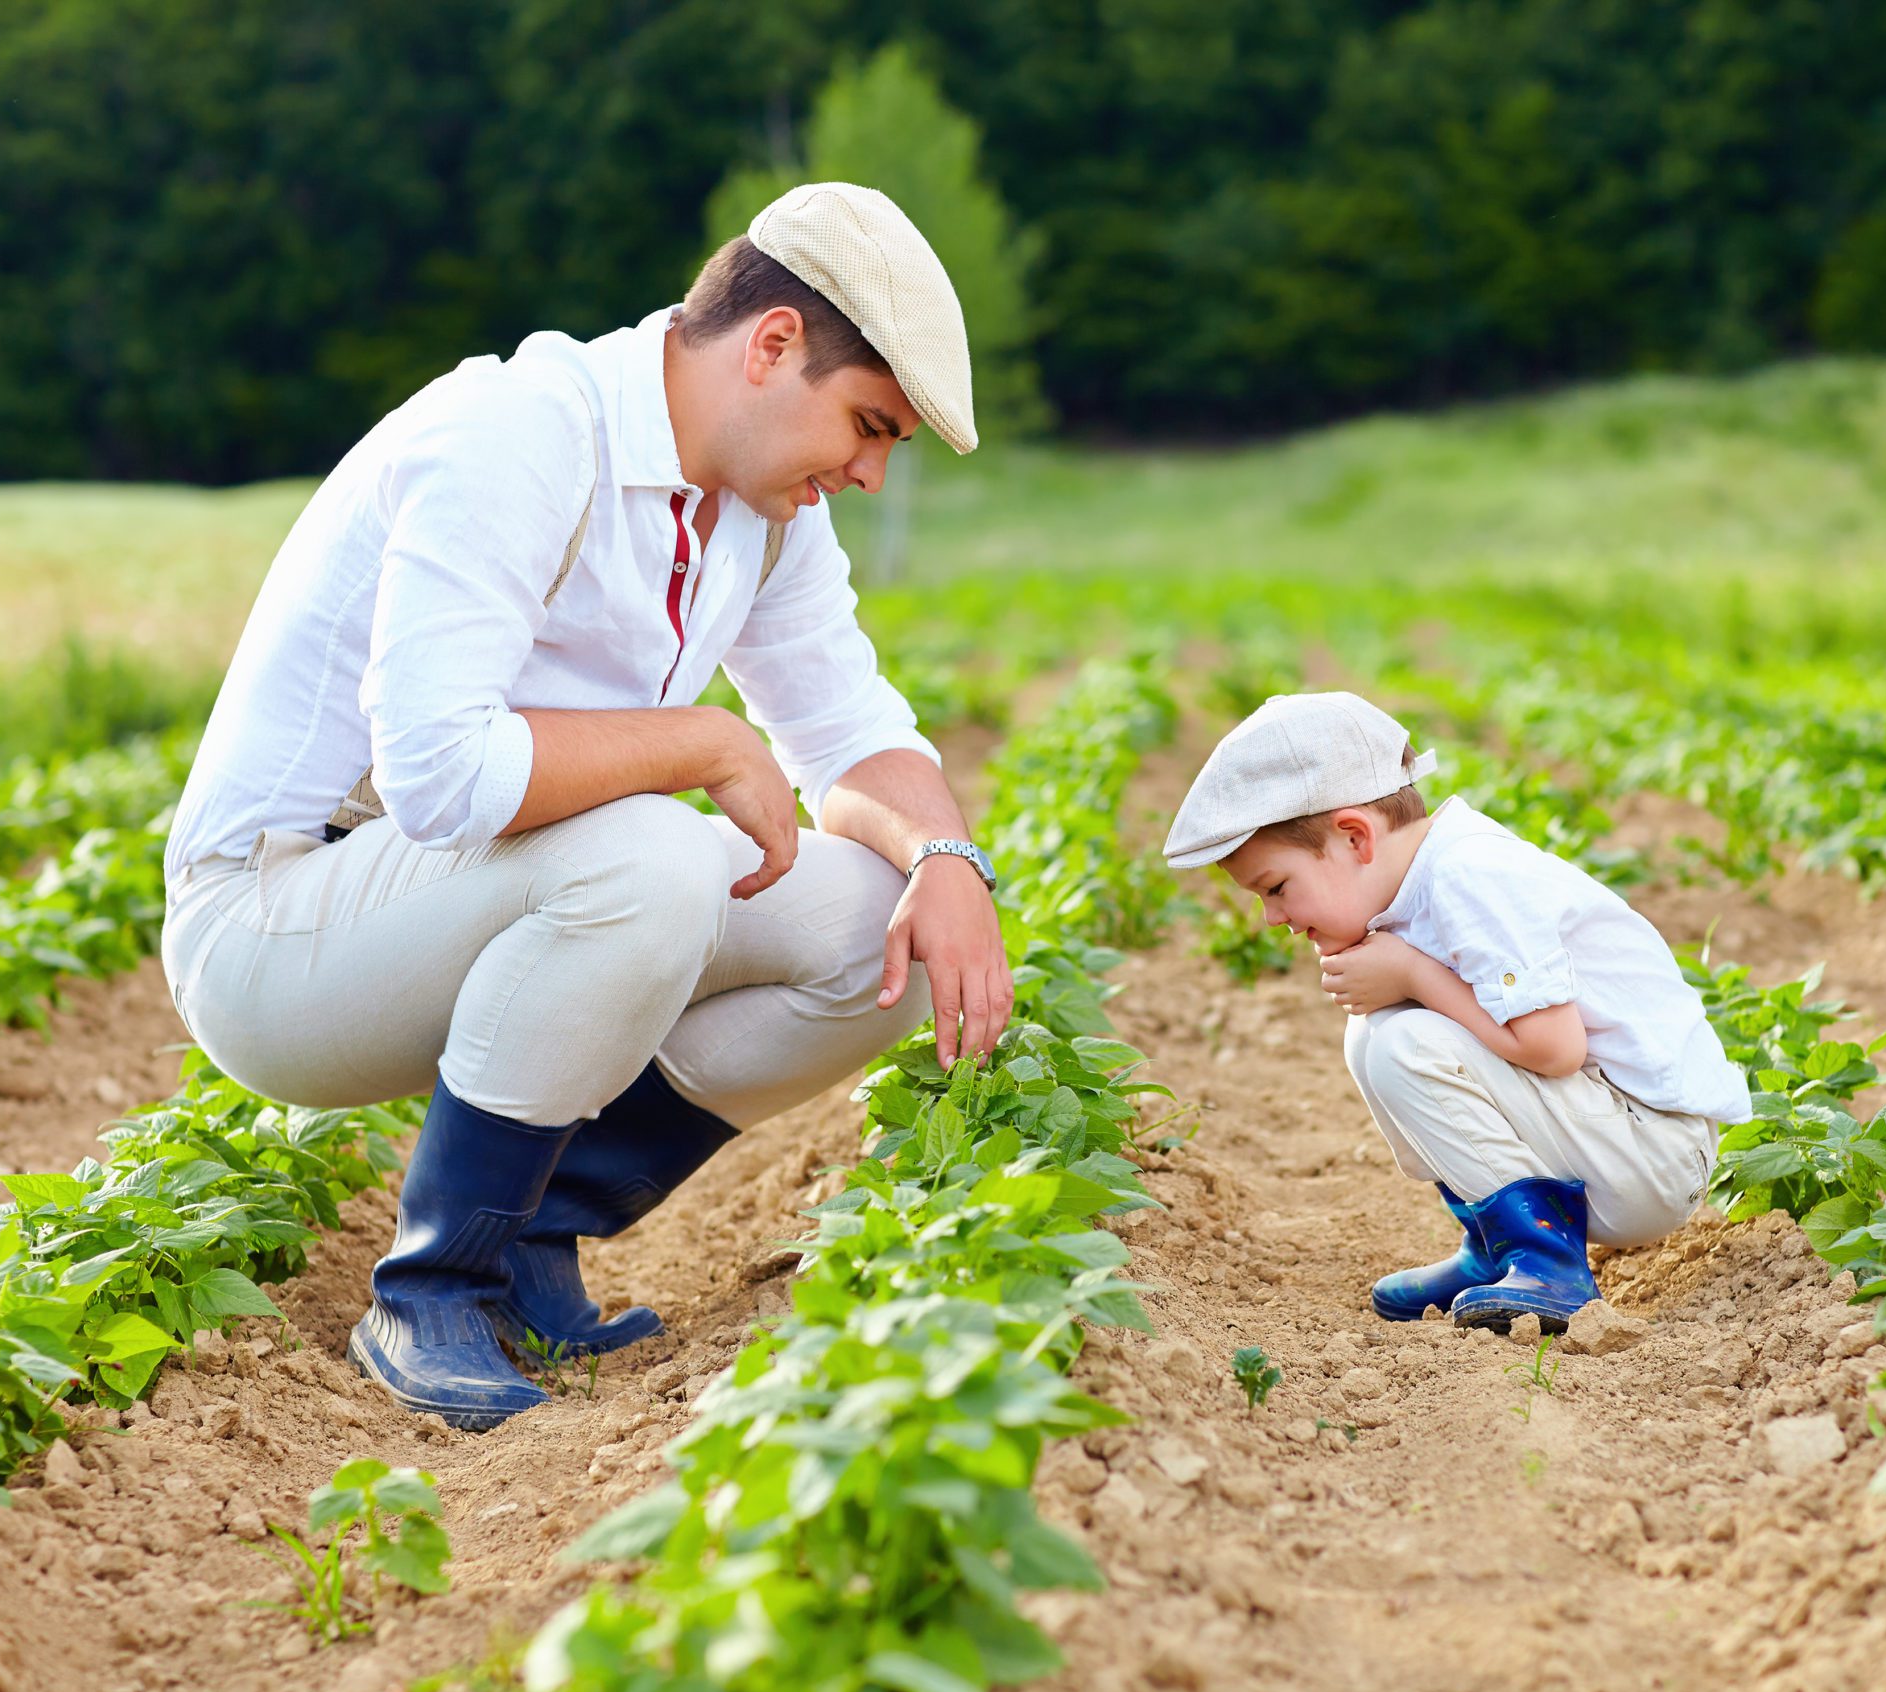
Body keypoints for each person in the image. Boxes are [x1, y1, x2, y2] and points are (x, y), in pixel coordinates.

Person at [159, 184, 1014, 1429]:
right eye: (869, 425)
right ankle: (430, 1285)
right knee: (652, 856)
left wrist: (946, 858)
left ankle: (527, 1238)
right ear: (772, 346)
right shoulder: (517, 432)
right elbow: (440, 776)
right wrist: (706, 737)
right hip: (281, 929)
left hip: (479, 900)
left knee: (881, 928)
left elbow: (849, 731)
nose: (872, 474)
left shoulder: (763, 517)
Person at [1161, 692, 1750, 1331]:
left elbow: (1555, 1047)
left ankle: (1546, 1260)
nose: (1273, 917)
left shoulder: (1470, 876)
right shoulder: (1430, 877)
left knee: (1402, 1040)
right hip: (1611, 1140)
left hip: (1653, 1152)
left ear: (1355, 837)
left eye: (1275, 888)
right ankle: (1496, 1249)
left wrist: (1413, 973)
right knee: (1376, 1032)